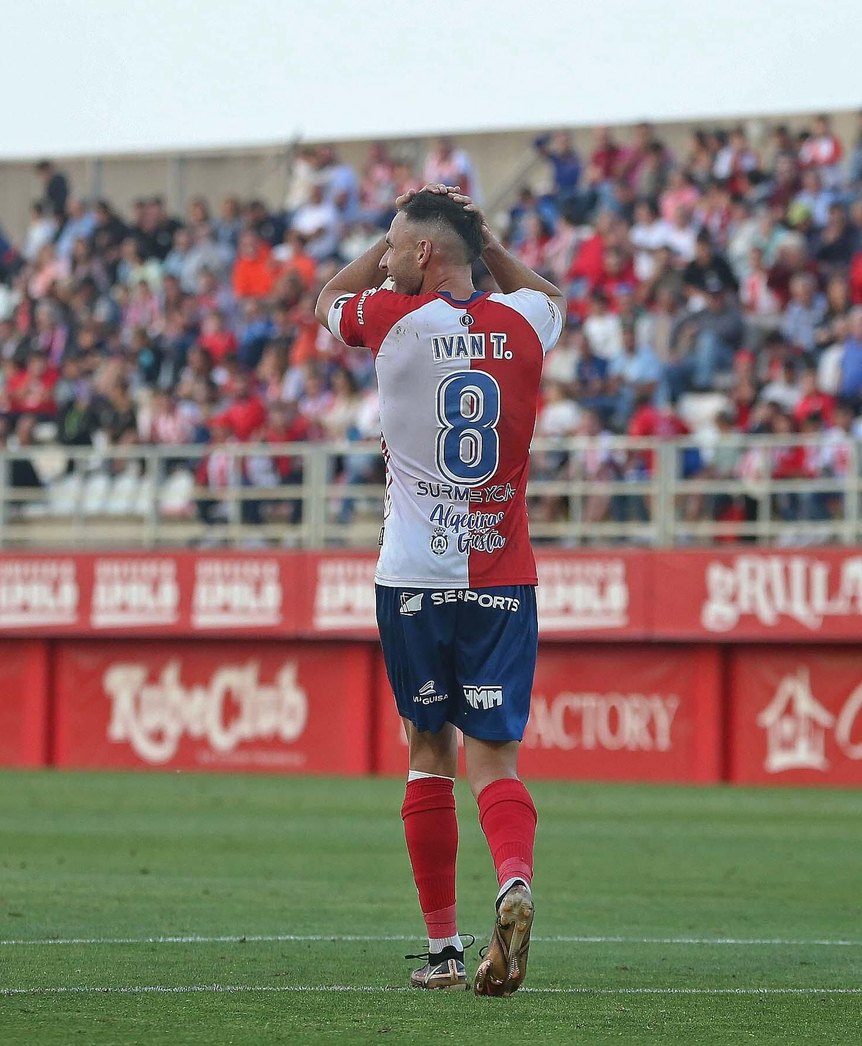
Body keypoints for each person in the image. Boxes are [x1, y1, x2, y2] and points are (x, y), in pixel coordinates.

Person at [314, 184, 563, 997]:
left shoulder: (390, 320)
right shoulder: (526, 322)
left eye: (394, 245)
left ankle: (446, 950)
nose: (385, 259)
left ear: (421, 253)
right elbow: (550, 294)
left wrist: (383, 252)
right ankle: (514, 878)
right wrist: (483, 240)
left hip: (414, 577)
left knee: (430, 754)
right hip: (503, 574)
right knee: (495, 757)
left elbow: (329, 299)